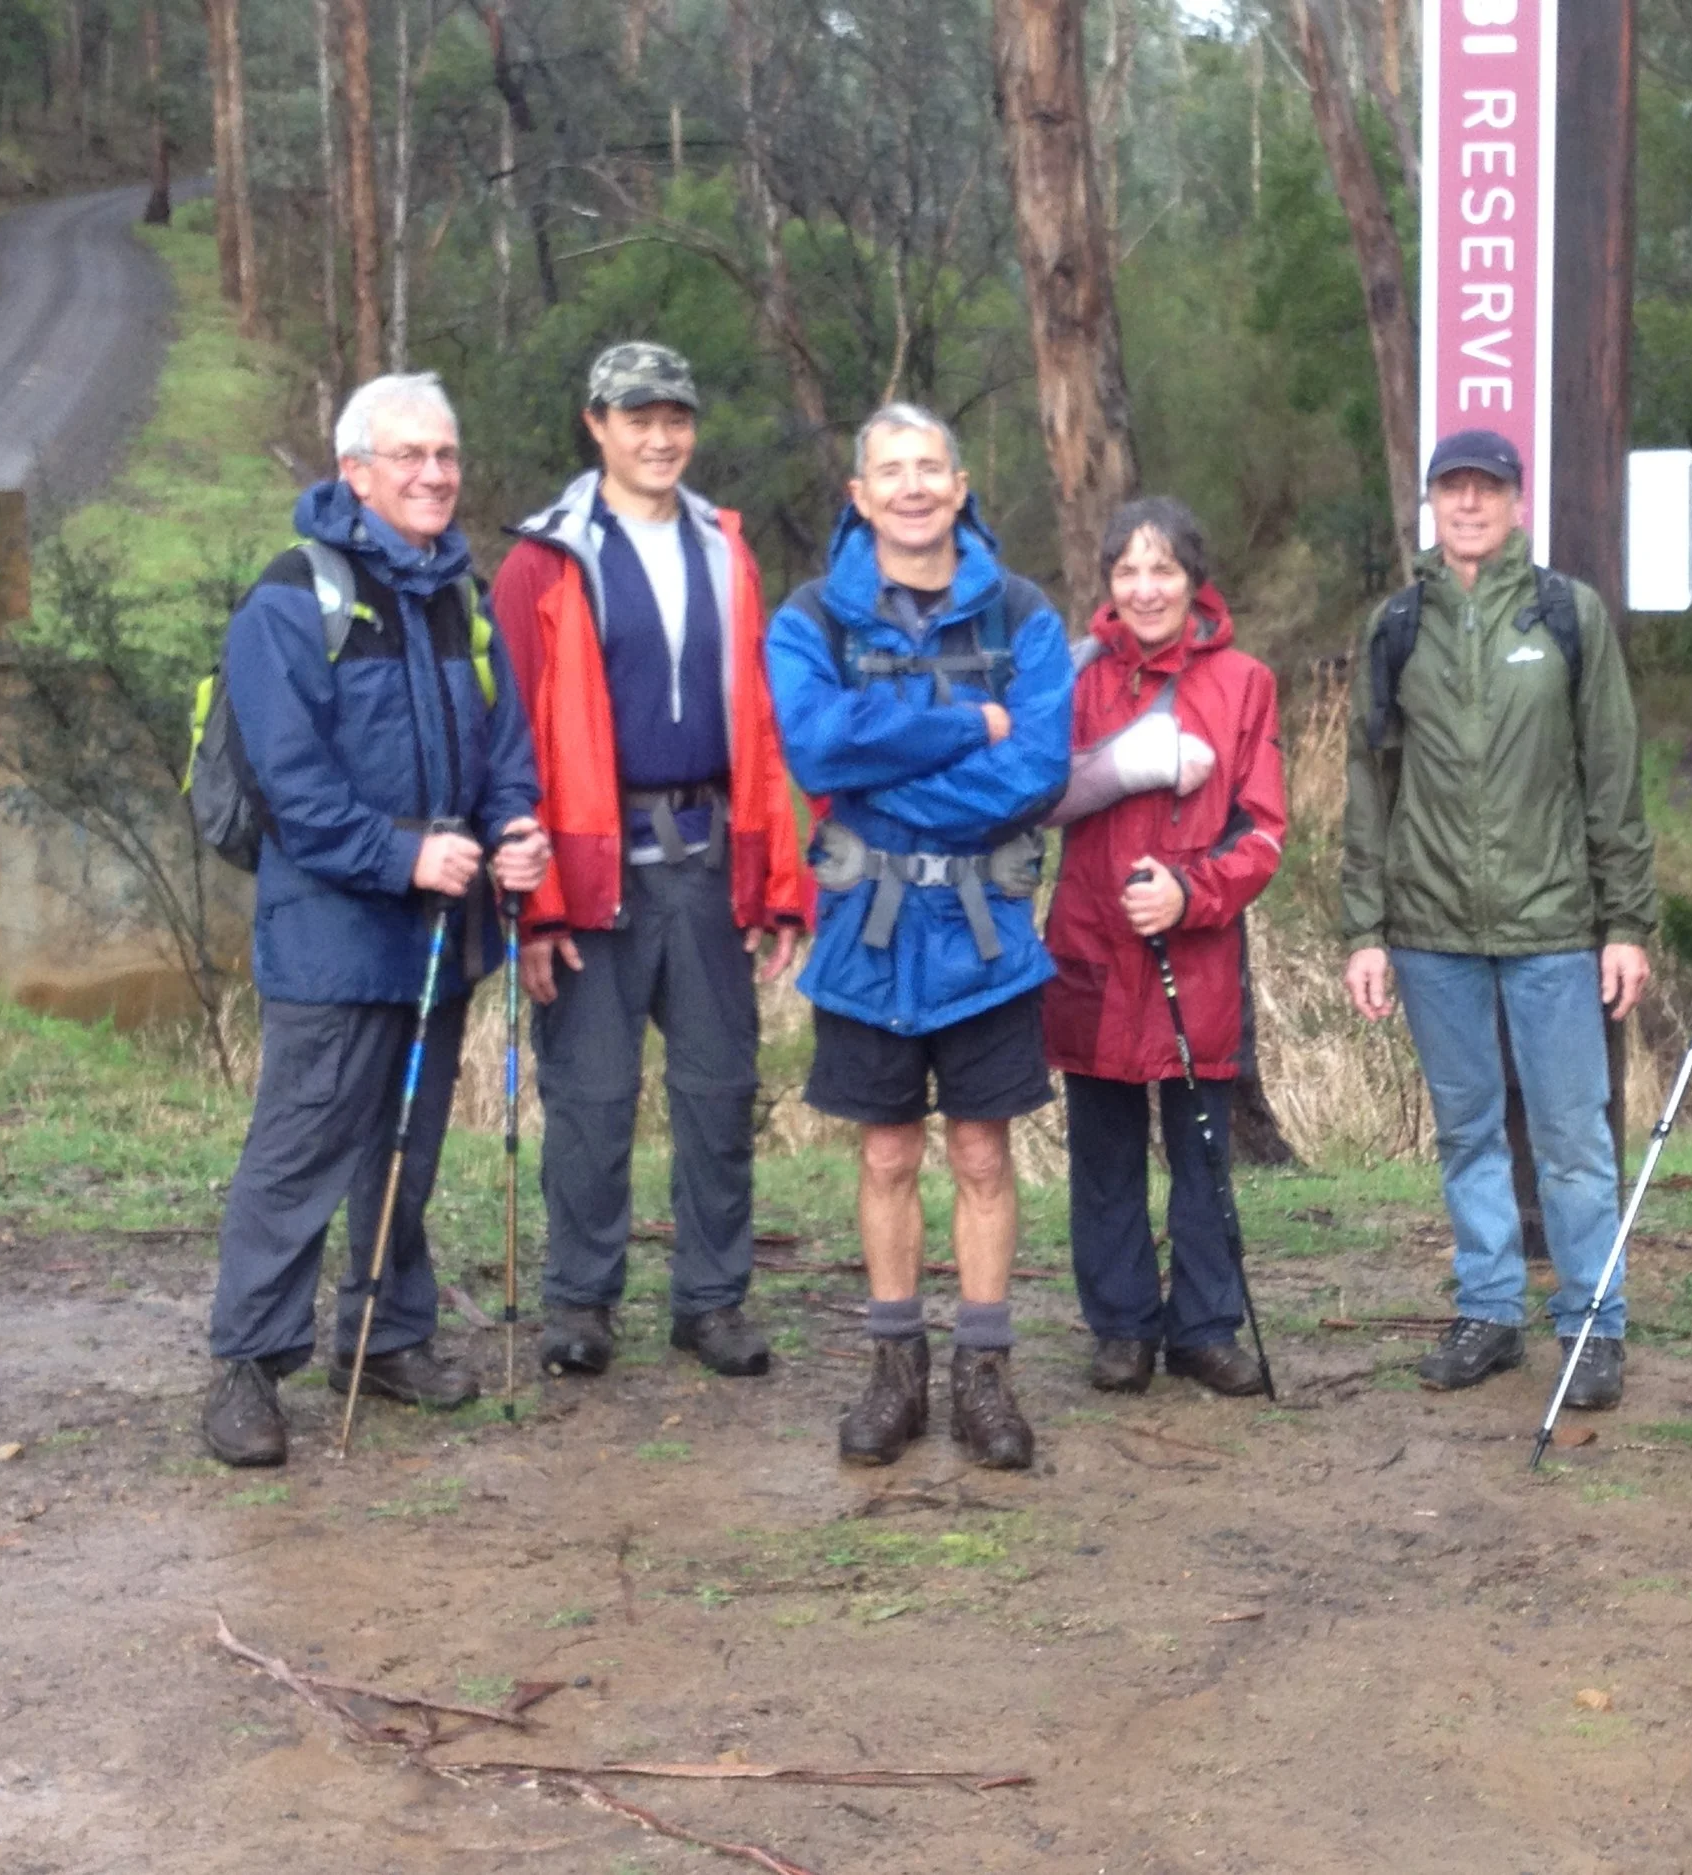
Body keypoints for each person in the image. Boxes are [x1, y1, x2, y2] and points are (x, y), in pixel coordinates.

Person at [201, 372, 549, 1468]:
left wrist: (515, 830)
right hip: (332, 928)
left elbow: (503, 750)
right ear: (355, 472)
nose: (434, 475)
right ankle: (248, 1367)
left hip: (439, 931)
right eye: (409, 457)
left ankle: (388, 1335)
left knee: (408, 1143)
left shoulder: (458, 597)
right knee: (303, 1146)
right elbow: (294, 790)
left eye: (445, 456)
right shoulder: (287, 604)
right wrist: (403, 856)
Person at [487, 342, 811, 1384]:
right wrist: (532, 907)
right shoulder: (544, 561)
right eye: (638, 417)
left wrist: (775, 878)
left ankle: (711, 1304)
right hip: (587, 866)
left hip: (707, 857)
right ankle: (580, 1304)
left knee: (718, 1089)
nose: (659, 436)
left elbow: (759, 725)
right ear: (596, 425)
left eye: (675, 416)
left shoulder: (726, 549)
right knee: (589, 1094)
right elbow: (511, 741)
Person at [766, 404, 1072, 1470]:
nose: (909, 487)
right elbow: (815, 747)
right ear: (859, 495)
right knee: (887, 1152)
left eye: (927, 469)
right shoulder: (810, 620)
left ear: (960, 484)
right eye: (888, 471)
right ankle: (892, 1370)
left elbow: (1035, 772)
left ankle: (984, 1374)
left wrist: (888, 780)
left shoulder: (1023, 616)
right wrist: (958, 730)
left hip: (986, 939)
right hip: (867, 937)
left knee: (983, 1152)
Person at [1342, 428, 1658, 1408]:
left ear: (1517, 503)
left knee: (1572, 1138)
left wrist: (1626, 920)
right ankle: (1487, 1309)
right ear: (1430, 506)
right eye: (1452, 489)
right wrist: (1364, 928)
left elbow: (1611, 769)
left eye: (1487, 488)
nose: (1470, 504)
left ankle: (1591, 1322)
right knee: (1468, 1131)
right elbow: (1368, 780)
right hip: (1430, 928)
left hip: (1555, 924)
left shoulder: (1567, 614)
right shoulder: (1397, 625)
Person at [1042, 497, 1286, 1396]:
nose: (1146, 589)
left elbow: (1263, 833)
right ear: (1107, 582)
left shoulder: (1245, 683)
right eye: (1128, 572)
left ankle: (1205, 1326)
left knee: (1203, 1150)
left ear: (1195, 579)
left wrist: (1192, 893)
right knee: (1102, 1150)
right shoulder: (1075, 675)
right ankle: (1121, 1327)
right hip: (1092, 947)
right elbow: (1037, 794)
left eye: (1164, 570)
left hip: (1197, 952)